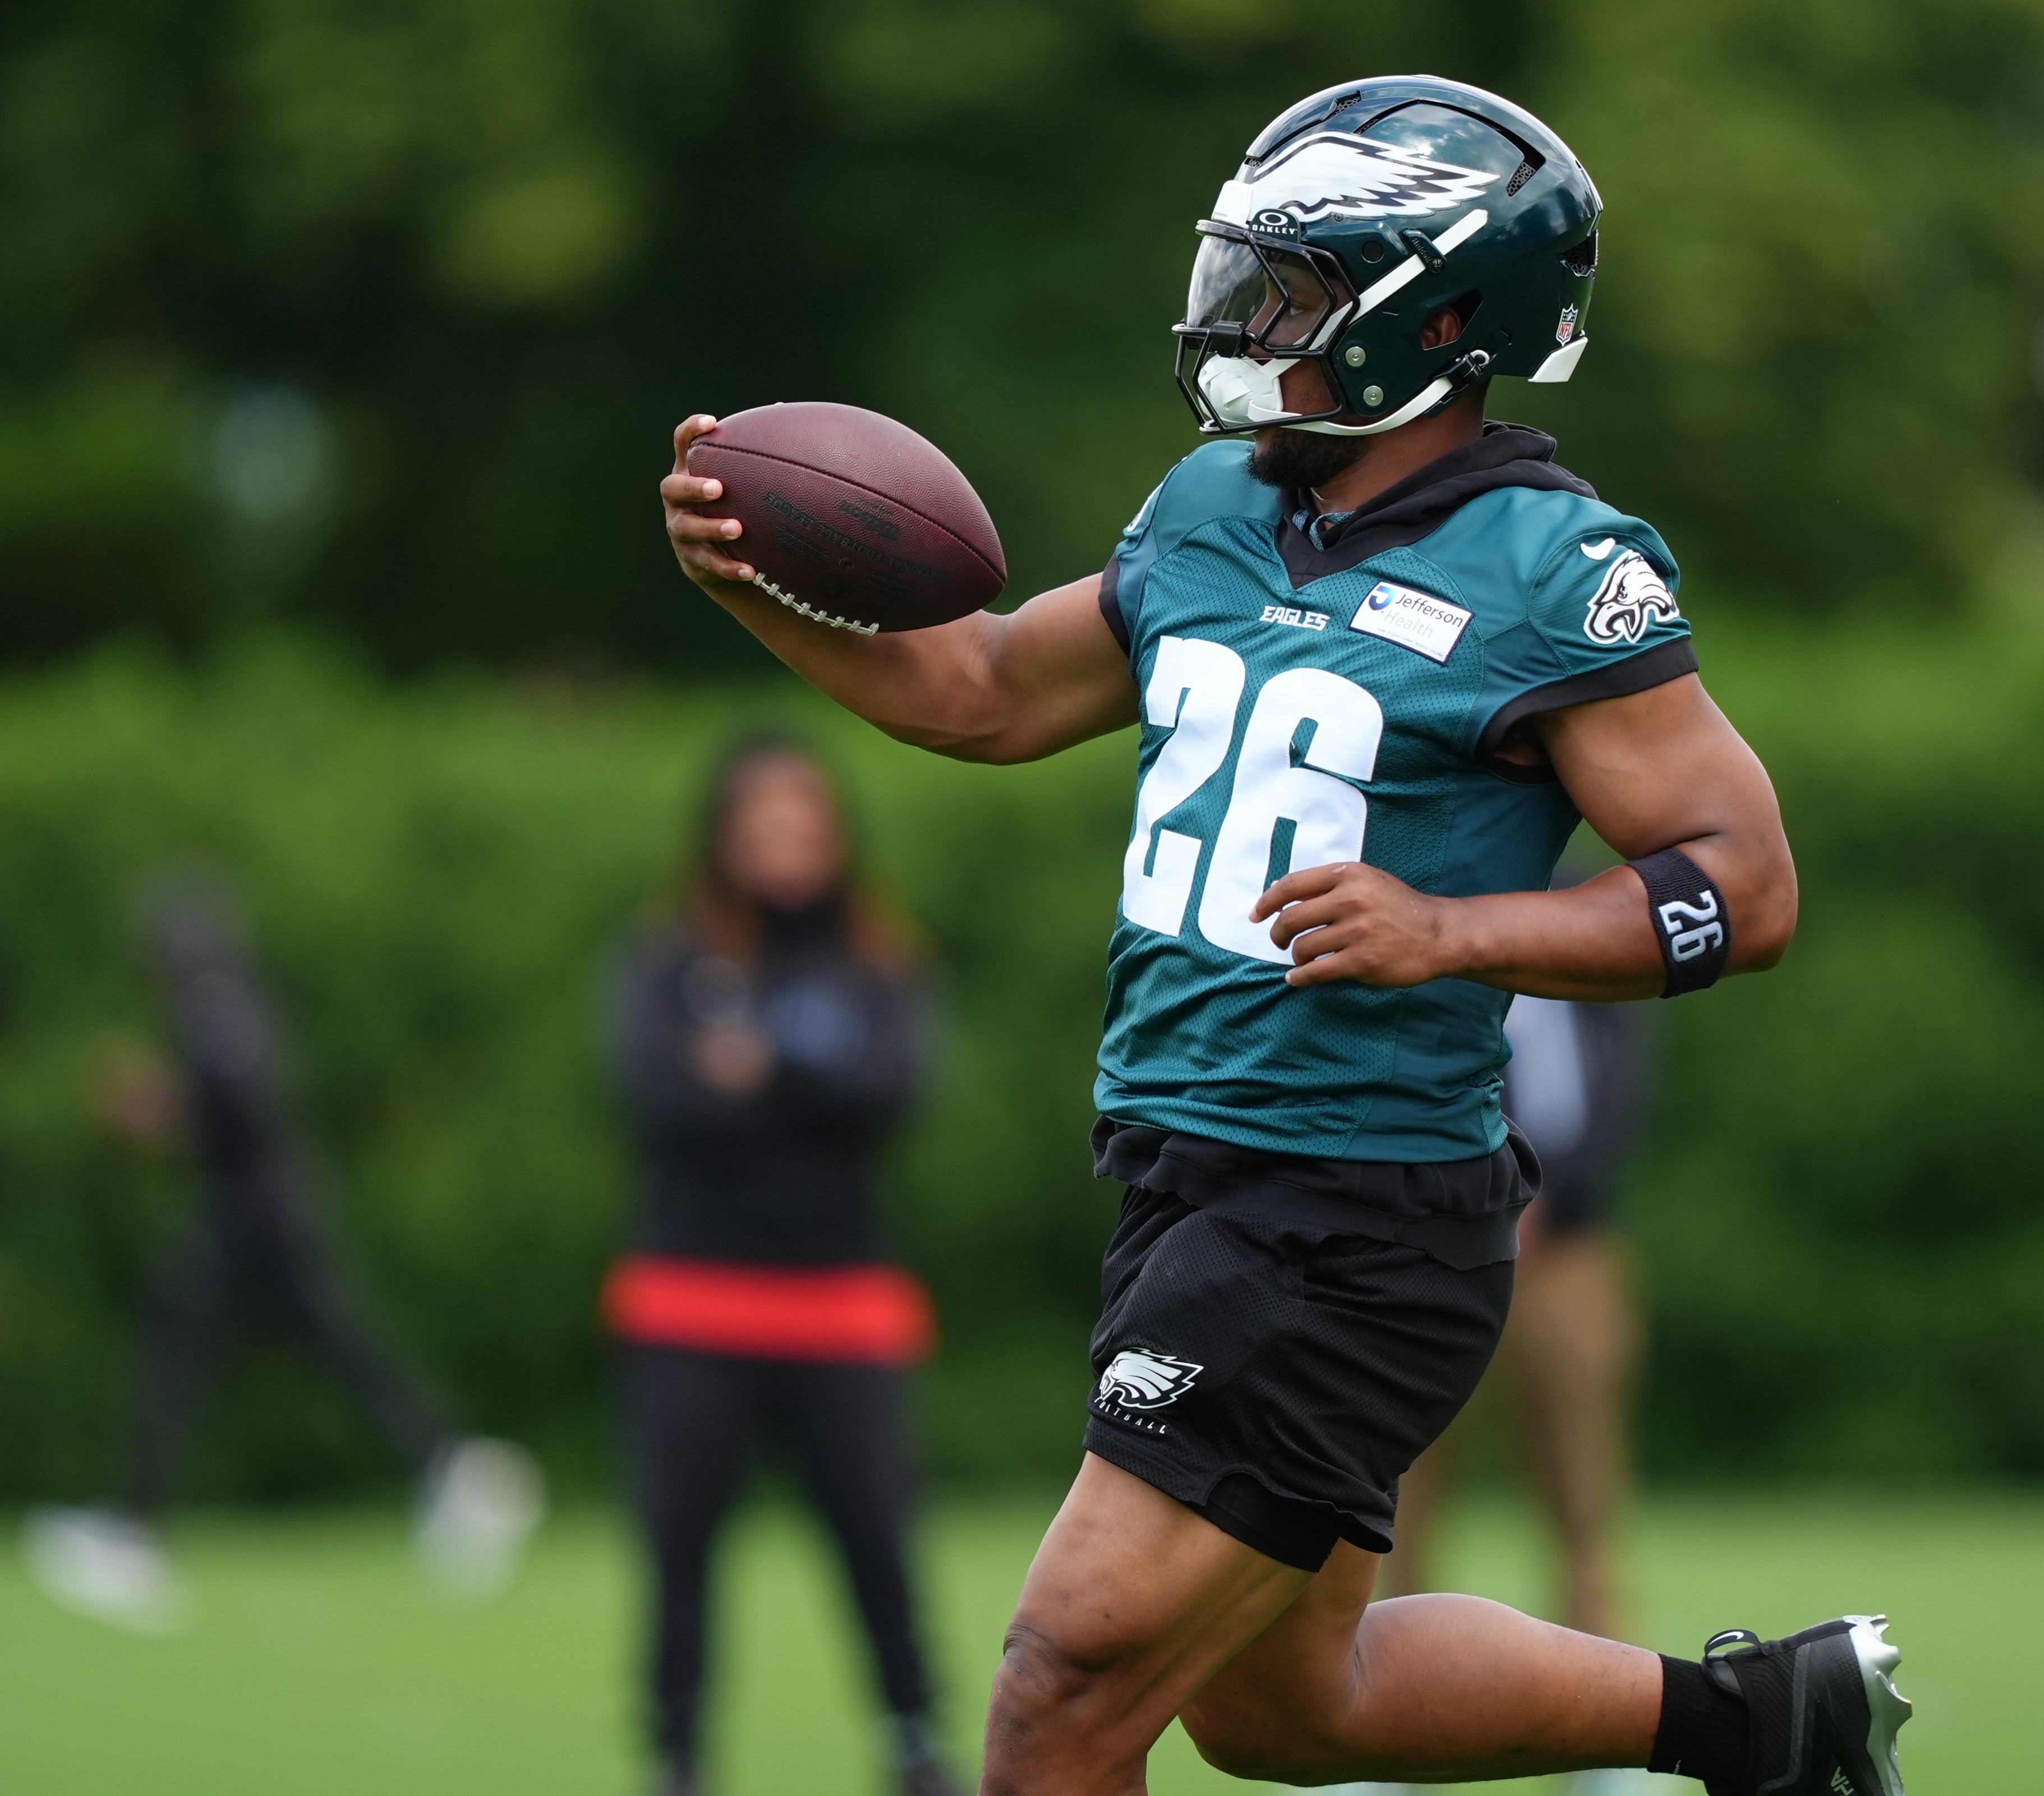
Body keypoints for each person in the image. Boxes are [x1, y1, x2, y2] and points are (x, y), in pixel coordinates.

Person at [658, 75, 1911, 1796]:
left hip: (1347, 1208)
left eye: (1299, 289)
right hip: (1188, 1177)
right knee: (1277, 1710)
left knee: (1051, 1692)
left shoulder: (1551, 565)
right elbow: (978, 691)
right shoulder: (1210, 509)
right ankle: (1763, 1724)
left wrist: (1454, 927)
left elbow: (1739, 887)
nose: (1252, 322)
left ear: (1436, 321)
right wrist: (759, 587)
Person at [24, 873, 543, 1633]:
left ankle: (138, 1531)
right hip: (267, 1214)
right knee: (331, 1347)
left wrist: (164, 1107)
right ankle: (454, 1468)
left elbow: (241, 1107)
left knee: (188, 1350)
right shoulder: (230, 1001)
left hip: (252, 1219)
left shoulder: (214, 1008)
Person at [605, 737, 962, 1796]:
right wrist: (811, 1093)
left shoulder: (878, 959)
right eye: (759, 819)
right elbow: (656, 1099)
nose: (782, 839)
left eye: (801, 818)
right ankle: (676, 1756)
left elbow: (892, 1094)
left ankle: (913, 1742)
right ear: (721, 835)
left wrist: (768, 1069)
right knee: (679, 1547)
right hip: (691, 1300)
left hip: (842, 1307)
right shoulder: (666, 957)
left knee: (877, 1542)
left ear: (835, 830)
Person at [1389, 987, 1651, 1657]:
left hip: (1567, 1250)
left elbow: (1619, 1089)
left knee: (1583, 1486)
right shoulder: (1421, 905)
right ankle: (1377, 1710)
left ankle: (1603, 1714)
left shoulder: (1588, 918)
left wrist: (1540, 1198)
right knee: (1390, 1489)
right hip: (1422, 1246)